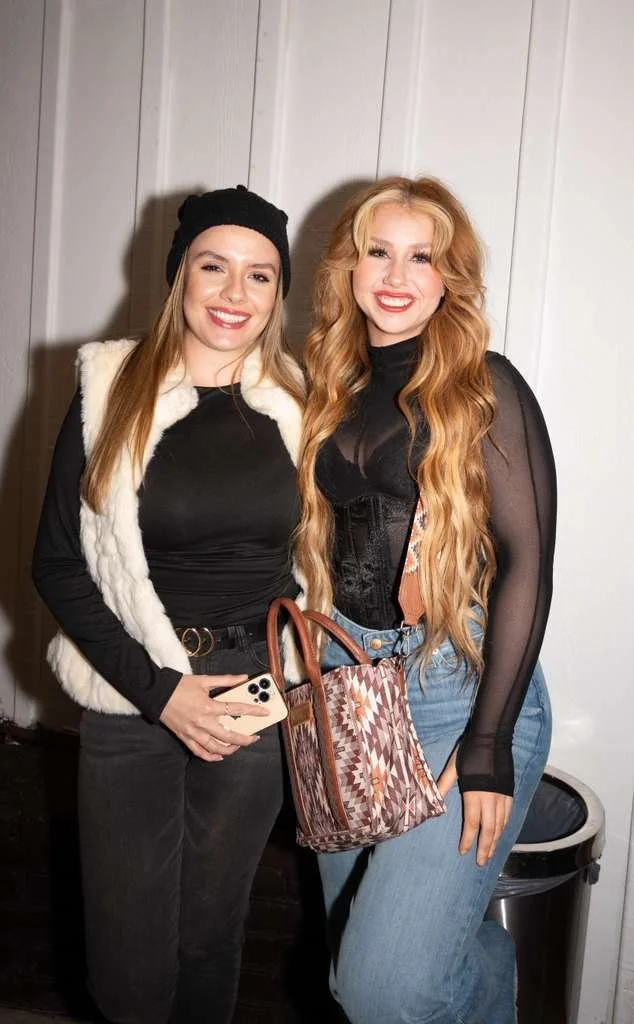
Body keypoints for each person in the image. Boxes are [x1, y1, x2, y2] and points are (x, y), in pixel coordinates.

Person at [32, 185, 306, 1024]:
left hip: (252, 694)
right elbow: (57, 564)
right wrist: (163, 693)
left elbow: (323, 557)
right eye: (213, 267)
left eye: (259, 275)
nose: (234, 293)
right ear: (179, 274)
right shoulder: (109, 387)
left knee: (211, 939)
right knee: (127, 969)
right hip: (133, 694)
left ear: (278, 294)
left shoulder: (299, 400)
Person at [296, 176, 555, 1024]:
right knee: (352, 967)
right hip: (347, 689)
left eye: (422, 256)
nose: (397, 275)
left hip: (459, 688)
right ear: (349, 266)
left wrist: (488, 741)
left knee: (384, 988)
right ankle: (480, 967)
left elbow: (528, 562)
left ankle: (493, 986)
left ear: (451, 276)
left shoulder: (487, 388)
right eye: (379, 251)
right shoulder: (328, 385)